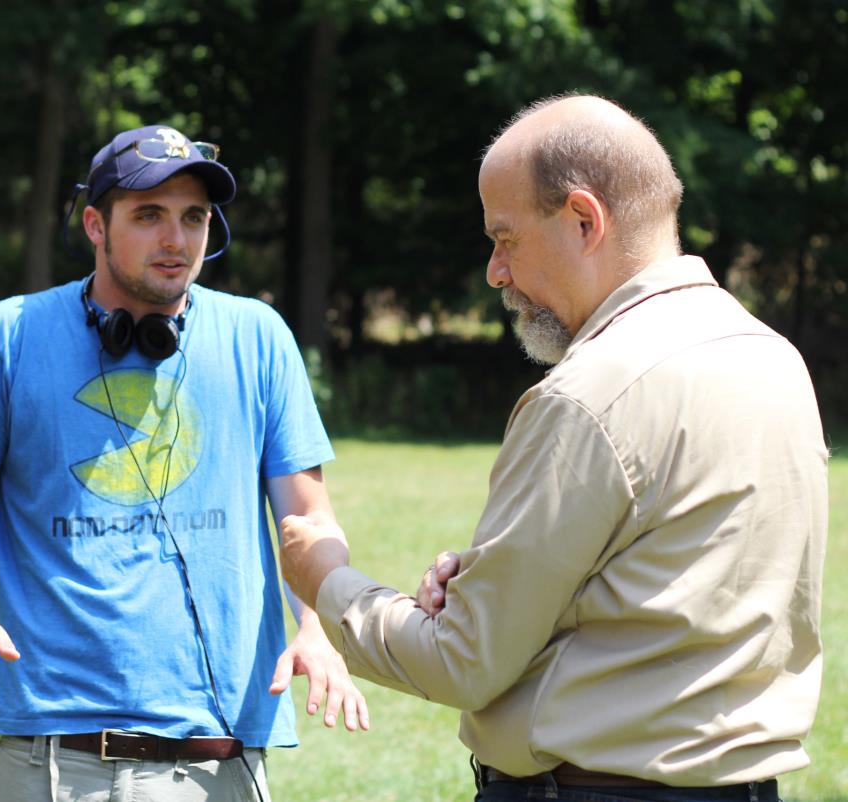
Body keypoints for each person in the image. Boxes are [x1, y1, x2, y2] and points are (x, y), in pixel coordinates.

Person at [279, 94, 829, 802]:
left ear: (582, 220)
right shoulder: (773, 357)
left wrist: (325, 579)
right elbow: (672, 584)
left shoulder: (589, 393)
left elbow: (463, 663)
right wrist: (488, 582)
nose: (495, 273)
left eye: (504, 238)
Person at [0, 123, 368, 802]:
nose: (176, 240)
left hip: (219, 764)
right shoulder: (8, 336)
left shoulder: (259, 339)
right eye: (149, 215)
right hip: (51, 764)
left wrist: (317, 621)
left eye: (195, 218)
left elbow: (306, 514)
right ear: (95, 224)